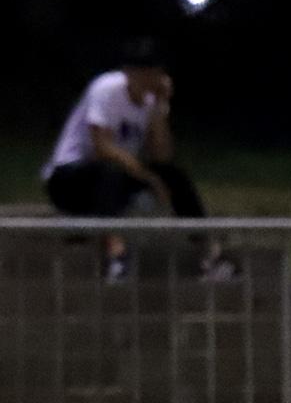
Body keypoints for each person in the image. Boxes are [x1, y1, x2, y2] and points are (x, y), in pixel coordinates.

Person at [42, 40, 231, 281]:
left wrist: (162, 107)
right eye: (142, 74)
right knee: (111, 170)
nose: (147, 81)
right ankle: (116, 255)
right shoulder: (106, 89)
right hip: (68, 180)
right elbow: (103, 148)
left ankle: (209, 254)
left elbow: (162, 156)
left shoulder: (152, 102)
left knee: (175, 176)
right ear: (129, 73)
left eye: (153, 75)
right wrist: (151, 180)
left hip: (116, 180)